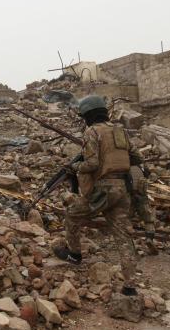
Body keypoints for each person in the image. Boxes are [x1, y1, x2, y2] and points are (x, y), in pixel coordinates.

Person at [53, 95, 143, 296]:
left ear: (88, 115)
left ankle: (75, 255)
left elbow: (91, 164)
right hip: (122, 189)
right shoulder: (120, 131)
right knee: (123, 236)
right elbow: (137, 157)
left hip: (103, 189)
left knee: (72, 215)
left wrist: (73, 166)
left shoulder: (92, 132)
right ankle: (130, 285)